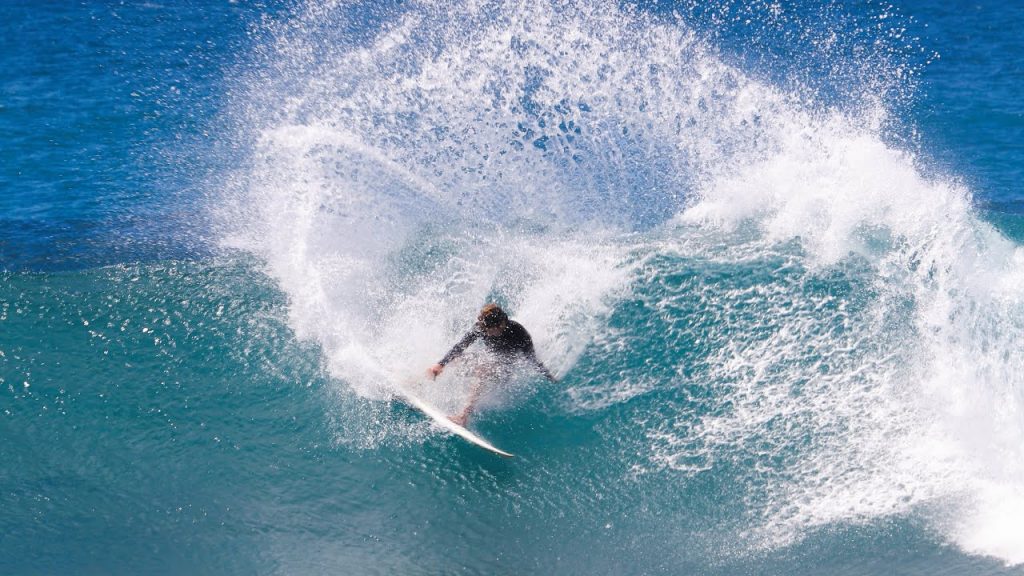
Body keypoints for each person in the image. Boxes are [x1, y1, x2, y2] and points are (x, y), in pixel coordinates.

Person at [426, 303, 555, 426]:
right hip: (488, 361)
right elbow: (461, 346)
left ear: (501, 325)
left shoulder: (519, 333)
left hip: (504, 371)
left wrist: (549, 377)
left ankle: (463, 416)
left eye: (489, 330)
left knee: (484, 369)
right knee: (457, 358)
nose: (486, 333)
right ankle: (422, 382)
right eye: (485, 329)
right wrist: (441, 364)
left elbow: (532, 359)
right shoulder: (481, 327)